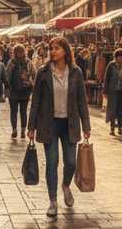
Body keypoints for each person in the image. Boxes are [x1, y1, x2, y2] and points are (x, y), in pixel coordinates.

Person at [28, 37, 91, 218]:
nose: (53, 51)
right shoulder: (43, 72)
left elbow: (82, 101)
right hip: (49, 124)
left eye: (56, 48)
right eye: (51, 49)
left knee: (71, 162)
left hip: (70, 123)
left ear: (65, 51)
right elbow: (36, 101)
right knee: (52, 162)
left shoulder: (76, 72)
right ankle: (53, 201)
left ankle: (65, 185)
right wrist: (31, 126)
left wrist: (86, 125)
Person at [7, 44, 34, 139]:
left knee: (14, 112)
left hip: (14, 91)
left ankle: (15, 130)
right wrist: (29, 82)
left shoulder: (11, 62)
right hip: (25, 91)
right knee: (23, 112)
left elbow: (8, 76)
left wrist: (7, 88)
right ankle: (22, 131)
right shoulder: (28, 62)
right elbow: (34, 75)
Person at [104, 49, 122, 136]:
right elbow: (106, 78)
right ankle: (112, 128)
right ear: (116, 57)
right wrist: (105, 91)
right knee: (113, 109)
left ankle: (120, 128)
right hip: (113, 90)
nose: (121, 58)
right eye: (119, 56)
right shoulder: (111, 65)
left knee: (121, 110)